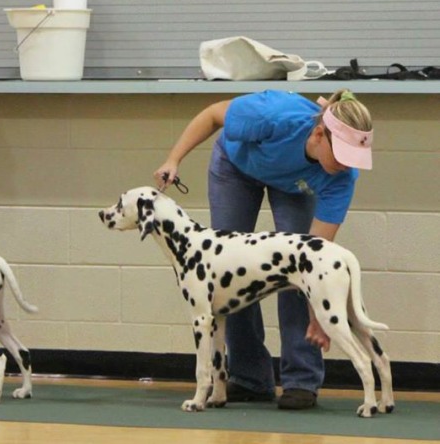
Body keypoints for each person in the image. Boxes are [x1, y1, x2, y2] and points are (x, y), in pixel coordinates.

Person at [154, 88, 373, 410]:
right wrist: (173, 159)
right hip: (236, 168)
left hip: (296, 187)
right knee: (230, 272)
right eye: (341, 155)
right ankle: (249, 378)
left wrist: (317, 318)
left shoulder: (340, 177)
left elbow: (314, 262)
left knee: (294, 273)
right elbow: (212, 115)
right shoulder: (274, 115)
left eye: (353, 158)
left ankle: (301, 381)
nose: (346, 165)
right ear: (318, 134)